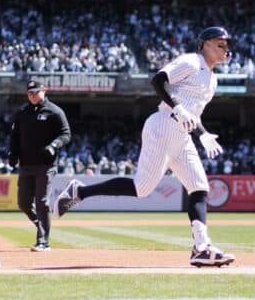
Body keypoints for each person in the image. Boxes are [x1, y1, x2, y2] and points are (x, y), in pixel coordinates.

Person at [56, 27, 235, 267]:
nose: (226, 49)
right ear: (204, 45)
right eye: (219, 44)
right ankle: (79, 192)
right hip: (163, 125)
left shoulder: (212, 79)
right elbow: (158, 80)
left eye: (226, 45)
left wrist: (202, 135)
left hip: (182, 136)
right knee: (142, 189)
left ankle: (201, 247)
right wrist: (178, 108)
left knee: (199, 187)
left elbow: (193, 114)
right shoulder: (192, 61)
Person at [9, 79, 71, 251]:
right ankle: (41, 224)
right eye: (30, 93)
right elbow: (14, 136)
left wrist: (54, 145)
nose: (33, 95)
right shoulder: (22, 112)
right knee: (23, 203)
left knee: (42, 201)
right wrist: (12, 154)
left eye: (36, 92)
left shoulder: (55, 111)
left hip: (46, 165)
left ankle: (43, 241)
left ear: (44, 91)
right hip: (26, 165)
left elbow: (66, 134)